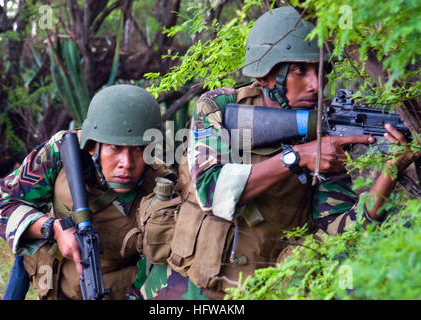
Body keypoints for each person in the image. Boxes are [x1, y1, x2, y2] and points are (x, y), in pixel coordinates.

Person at [151, 6, 416, 300]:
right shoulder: (219, 106)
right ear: (265, 76)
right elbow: (211, 191)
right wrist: (297, 157)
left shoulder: (326, 130)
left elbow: (342, 235)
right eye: (300, 70)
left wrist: (390, 170)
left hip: (264, 291)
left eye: (321, 70)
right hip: (192, 288)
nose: (316, 85)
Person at [0, 84, 176, 300]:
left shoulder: (162, 183)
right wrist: (52, 229)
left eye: (138, 149)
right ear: (91, 146)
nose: (126, 163)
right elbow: (4, 208)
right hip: (58, 282)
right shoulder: (59, 153)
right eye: (115, 148)